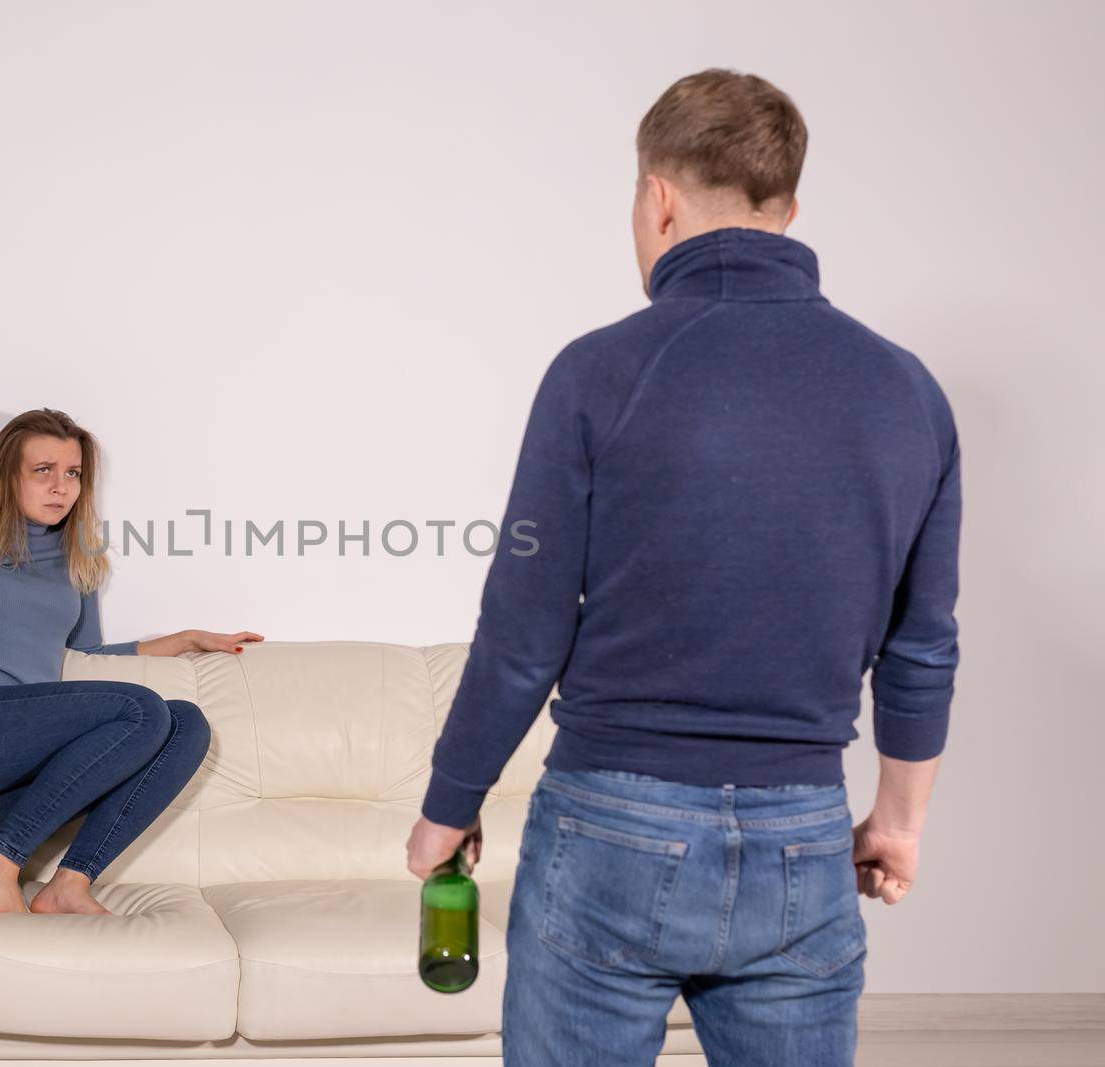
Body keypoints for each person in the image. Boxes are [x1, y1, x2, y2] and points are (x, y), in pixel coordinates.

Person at [404, 68, 960, 1066]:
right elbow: (921, 646)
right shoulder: (905, 389)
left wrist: (449, 803)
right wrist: (900, 821)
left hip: (610, 828)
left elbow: (524, 629)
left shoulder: (598, 370)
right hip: (804, 827)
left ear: (656, 197)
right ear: (787, 208)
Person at [0, 408, 264, 915]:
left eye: (73, 473)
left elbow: (87, 654)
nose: (60, 487)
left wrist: (186, 638)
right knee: (144, 709)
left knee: (187, 724)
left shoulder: (76, 557)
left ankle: (68, 885)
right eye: (43, 471)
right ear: (7, 475)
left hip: (10, 788)